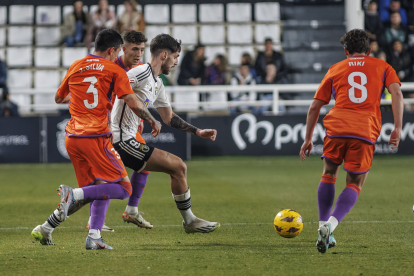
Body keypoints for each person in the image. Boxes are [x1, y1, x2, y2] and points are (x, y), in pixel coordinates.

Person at [31, 29, 161, 250]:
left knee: (100, 188)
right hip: (96, 136)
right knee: (122, 188)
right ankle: (73, 195)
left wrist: (82, 97)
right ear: (112, 50)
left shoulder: (75, 65)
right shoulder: (113, 70)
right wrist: (152, 120)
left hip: (72, 138)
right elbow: (131, 100)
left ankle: (54, 229)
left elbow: (59, 97)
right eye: (118, 50)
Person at [299, 29, 403, 254]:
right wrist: (397, 127)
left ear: (346, 50)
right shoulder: (383, 67)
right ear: (369, 49)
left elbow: (315, 106)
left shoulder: (335, 68)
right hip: (364, 130)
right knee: (355, 183)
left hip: (336, 127)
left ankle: (321, 227)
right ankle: (331, 225)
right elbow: (397, 94)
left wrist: (308, 139)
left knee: (328, 174)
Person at [111, 34, 220, 234]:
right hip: (120, 139)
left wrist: (198, 131)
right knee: (178, 166)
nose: (177, 62)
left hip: (128, 138)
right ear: (164, 55)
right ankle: (189, 221)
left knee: (178, 167)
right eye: (175, 56)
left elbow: (168, 117)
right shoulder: (141, 72)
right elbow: (116, 85)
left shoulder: (158, 83)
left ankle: (137, 211)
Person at [85, 30, 150, 232]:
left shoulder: (139, 69)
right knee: (107, 175)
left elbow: (136, 97)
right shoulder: (110, 67)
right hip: (106, 128)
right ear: (123, 49)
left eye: (142, 49)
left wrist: (139, 117)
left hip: (127, 127)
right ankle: (93, 221)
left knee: (145, 164)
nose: (138, 54)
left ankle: (131, 210)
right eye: (134, 49)